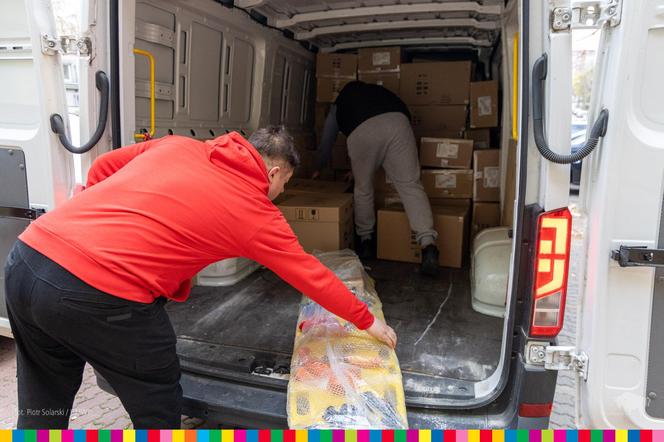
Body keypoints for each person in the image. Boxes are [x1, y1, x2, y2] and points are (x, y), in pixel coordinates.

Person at [3, 126, 397, 429]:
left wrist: (102, 221)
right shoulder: (255, 211)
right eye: (284, 183)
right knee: (156, 392)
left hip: (28, 258)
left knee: (44, 389)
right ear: (274, 172)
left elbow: (102, 167)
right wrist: (367, 320)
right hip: (101, 294)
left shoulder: (178, 146)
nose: (279, 191)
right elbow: (310, 274)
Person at [314, 81, 440, 276]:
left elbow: (327, 139)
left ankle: (366, 241)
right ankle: (428, 245)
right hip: (399, 123)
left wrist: (318, 167)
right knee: (410, 186)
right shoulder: (377, 91)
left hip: (363, 130)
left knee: (363, 189)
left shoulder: (339, 104)